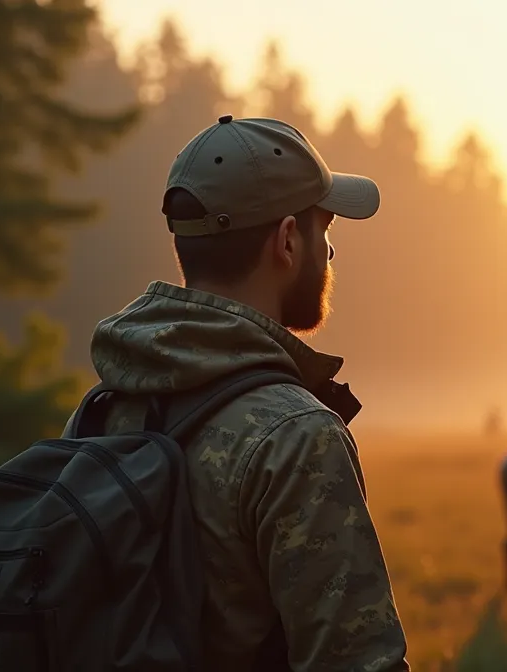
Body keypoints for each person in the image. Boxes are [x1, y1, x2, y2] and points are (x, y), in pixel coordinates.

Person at [65, 115, 410, 670]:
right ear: (288, 240)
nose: (330, 254)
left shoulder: (99, 412)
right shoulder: (296, 435)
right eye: (325, 231)